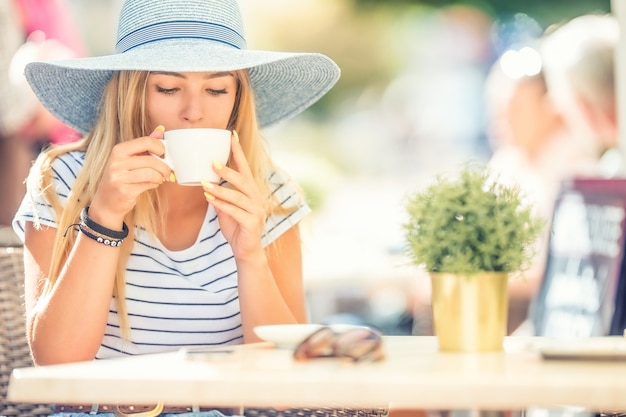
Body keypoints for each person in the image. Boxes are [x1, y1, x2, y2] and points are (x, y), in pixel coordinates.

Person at [12, 0, 340, 415]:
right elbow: (58, 367)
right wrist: (105, 218)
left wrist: (250, 256)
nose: (194, 112)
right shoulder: (63, 181)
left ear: (237, 98)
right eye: (168, 88)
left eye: (217, 89)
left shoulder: (270, 195)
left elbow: (285, 382)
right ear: (131, 92)